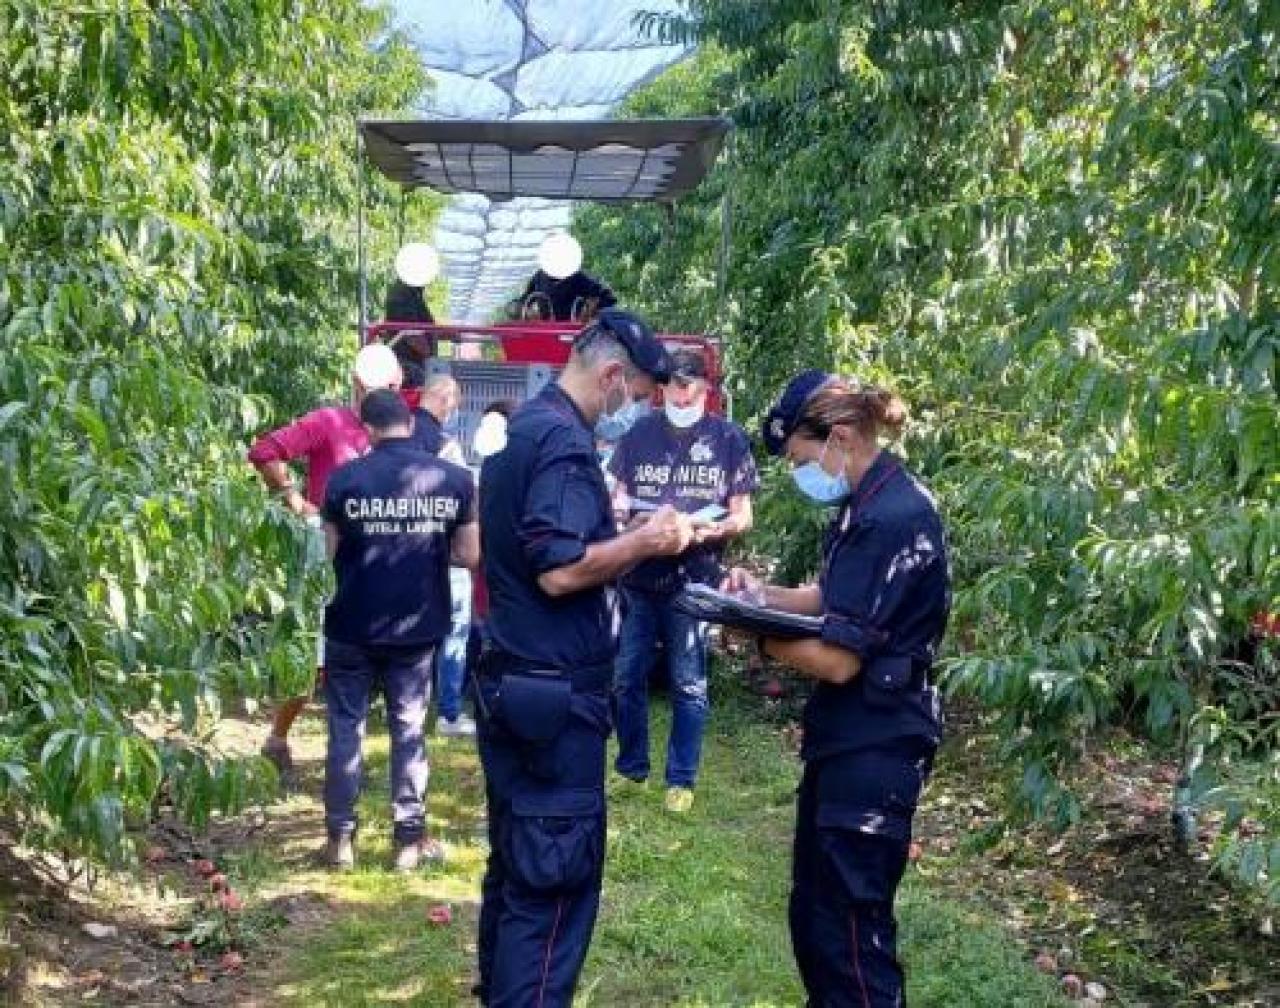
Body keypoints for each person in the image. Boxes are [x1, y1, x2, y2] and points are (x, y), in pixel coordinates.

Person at [474, 308, 694, 1006]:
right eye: (636, 393)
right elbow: (558, 569)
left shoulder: (521, 433)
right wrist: (644, 542)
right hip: (551, 698)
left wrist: (619, 531)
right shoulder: (565, 445)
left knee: (516, 867)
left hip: (512, 678)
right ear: (611, 377)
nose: (634, 409)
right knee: (553, 881)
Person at [724, 371, 950, 1007]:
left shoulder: (892, 516)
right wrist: (753, 598)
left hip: (876, 739)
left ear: (841, 436)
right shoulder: (865, 502)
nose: (801, 472)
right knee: (818, 921)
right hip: (847, 739)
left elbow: (839, 660)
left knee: (851, 932)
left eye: (800, 457)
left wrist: (753, 636)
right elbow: (831, 599)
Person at [319, 389, 479, 871]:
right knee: (409, 728)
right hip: (418, 625)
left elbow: (326, 556)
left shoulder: (343, 480)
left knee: (345, 727)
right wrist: (430, 547)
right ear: (410, 424)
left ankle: (340, 840)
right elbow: (471, 556)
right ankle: (408, 843)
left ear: (366, 429)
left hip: (351, 623)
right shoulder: (454, 479)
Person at [609, 349, 758, 812]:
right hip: (639, 577)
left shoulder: (728, 439)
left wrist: (715, 528)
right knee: (625, 677)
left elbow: (743, 515)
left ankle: (681, 779)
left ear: (706, 389)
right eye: (672, 384)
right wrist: (628, 524)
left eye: (688, 386)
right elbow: (617, 499)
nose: (678, 393)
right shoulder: (638, 434)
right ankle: (632, 769)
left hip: (695, 579)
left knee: (688, 681)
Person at [246, 342, 403, 781]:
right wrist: (296, 500)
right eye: (366, 387)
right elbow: (265, 450)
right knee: (317, 650)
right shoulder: (330, 422)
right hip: (329, 551)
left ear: (397, 386)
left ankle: (348, 753)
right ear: (355, 384)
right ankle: (279, 737)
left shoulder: (396, 432)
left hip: (375, 555)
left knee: (370, 649)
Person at [518, 268, 616, 322]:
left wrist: (590, 311)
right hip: (547, 328)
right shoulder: (539, 276)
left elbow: (608, 298)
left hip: (575, 330)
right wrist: (528, 311)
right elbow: (524, 300)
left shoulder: (577, 277)